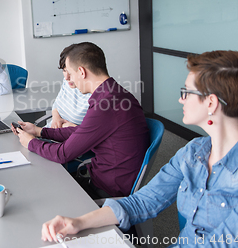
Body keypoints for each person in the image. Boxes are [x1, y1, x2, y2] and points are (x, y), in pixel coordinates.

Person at [41, 50, 238, 248]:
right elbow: (143, 201)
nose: (180, 99)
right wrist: (77, 222)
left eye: (186, 92)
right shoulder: (194, 151)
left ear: (211, 103)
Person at [12, 42, 149, 198]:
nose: (69, 79)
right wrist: (39, 131)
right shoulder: (113, 93)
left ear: (81, 72)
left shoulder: (106, 104)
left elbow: (62, 154)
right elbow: (82, 132)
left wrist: (30, 142)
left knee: (39, 190)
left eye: (69, 73)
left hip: (107, 190)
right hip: (106, 179)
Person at [46, 45, 91, 128]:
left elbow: (88, 133)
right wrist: (56, 118)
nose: (66, 77)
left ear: (81, 71)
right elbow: (56, 105)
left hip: (65, 137)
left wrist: (67, 126)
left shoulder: (94, 96)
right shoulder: (67, 83)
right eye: (64, 71)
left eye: (70, 72)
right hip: (51, 131)